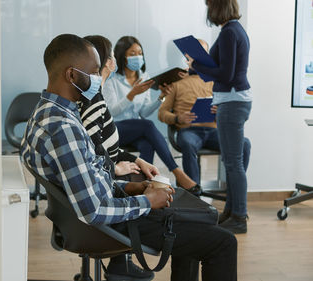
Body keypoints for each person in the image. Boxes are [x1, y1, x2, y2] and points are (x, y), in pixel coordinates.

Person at [21, 33, 237, 281]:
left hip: (100, 211)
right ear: (71, 75)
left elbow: (88, 176)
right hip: (107, 223)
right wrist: (147, 201)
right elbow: (94, 210)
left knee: (200, 217)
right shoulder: (63, 128)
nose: (98, 79)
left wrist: (133, 186)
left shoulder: (45, 112)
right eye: (93, 72)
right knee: (223, 241)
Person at [79, 35, 158, 280]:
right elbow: (93, 149)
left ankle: (121, 260)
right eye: (113, 55)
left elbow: (108, 145)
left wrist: (137, 160)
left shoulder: (96, 97)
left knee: (144, 150)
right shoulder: (93, 101)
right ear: (109, 62)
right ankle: (122, 258)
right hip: (104, 186)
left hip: (115, 163)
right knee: (146, 174)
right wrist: (115, 168)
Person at [185, 0, 252, 234]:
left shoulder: (229, 33)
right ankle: (231, 213)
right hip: (233, 100)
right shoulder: (232, 31)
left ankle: (239, 217)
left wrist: (198, 67)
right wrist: (197, 67)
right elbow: (221, 67)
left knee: (233, 162)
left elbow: (226, 73)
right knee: (232, 161)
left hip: (232, 101)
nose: (208, 11)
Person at [102, 36, 201, 193]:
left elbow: (143, 112)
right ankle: (177, 172)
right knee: (147, 126)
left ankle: (141, 185)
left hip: (136, 129)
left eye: (140, 52)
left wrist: (161, 97)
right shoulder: (112, 79)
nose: (137, 56)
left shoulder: (144, 76)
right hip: (115, 129)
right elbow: (112, 111)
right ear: (122, 56)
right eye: (132, 53)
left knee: (147, 143)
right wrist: (132, 94)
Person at [158, 39, 251, 187]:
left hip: (214, 131)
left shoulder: (218, 82)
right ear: (188, 57)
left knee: (244, 143)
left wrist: (221, 111)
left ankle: (234, 188)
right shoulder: (176, 83)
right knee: (188, 143)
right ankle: (193, 192)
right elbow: (162, 113)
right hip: (189, 131)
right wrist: (177, 118)